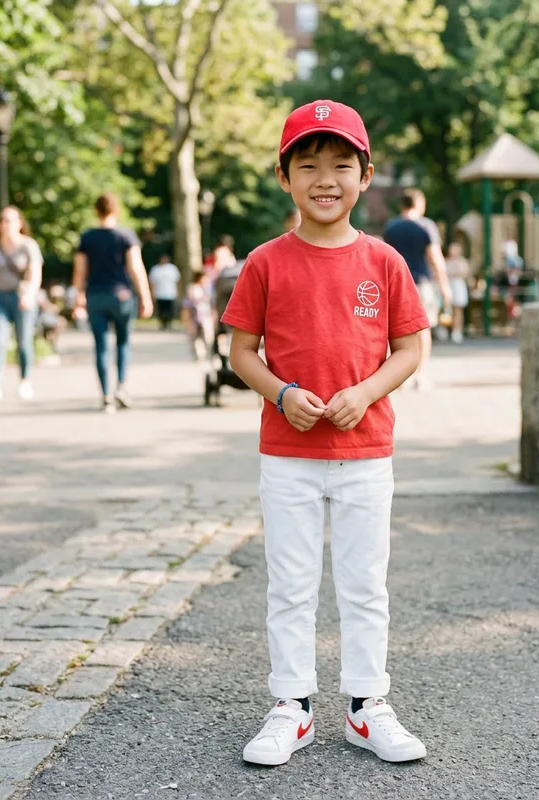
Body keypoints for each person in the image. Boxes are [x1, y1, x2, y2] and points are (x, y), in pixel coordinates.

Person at [223, 99, 429, 767]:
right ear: (284, 178)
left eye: (342, 165)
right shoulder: (264, 262)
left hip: (366, 451)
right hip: (288, 454)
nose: (325, 179)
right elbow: (242, 352)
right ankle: (293, 706)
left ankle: (368, 707)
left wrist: (364, 393)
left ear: (365, 176)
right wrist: (281, 394)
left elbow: (410, 347)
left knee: (365, 582)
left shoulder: (385, 262)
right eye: (307, 165)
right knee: (290, 582)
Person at [72, 193, 153, 413]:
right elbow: (135, 267)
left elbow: (80, 272)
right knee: (123, 343)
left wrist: (78, 297)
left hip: (95, 296)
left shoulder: (87, 238)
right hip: (122, 297)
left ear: (96, 211)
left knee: (100, 346)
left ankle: (106, 394)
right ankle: (121, 388)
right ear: (116, 210)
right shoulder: (125, 236)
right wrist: (145, 296)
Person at [383, 188, 451, 389]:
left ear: (402, 205)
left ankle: (398, 377)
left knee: (393, 331)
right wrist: (445, 286)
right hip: (421, 284)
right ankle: (420, 375)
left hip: (394, 283)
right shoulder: (426, 226)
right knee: (423, 330)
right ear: (419, 205)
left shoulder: (391, 227)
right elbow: (435, 259)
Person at [0, 206, 43, 401]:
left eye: (10, 220)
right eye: (2, 220)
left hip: (21, 297)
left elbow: (35, 274)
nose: (6, 224)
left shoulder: (28, 245)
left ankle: (25, 380)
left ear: (20, 224)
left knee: (23, 340)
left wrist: (29, 295)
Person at [180, 272, 214, 360]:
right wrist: (186, 318)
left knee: (206, 337)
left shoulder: (207, 289)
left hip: (205, 317)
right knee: (195, 337)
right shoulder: (192, 289)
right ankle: (198, 354)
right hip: (194, 316)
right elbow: (187, 304)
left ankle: (207, 354)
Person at [444, 240, 470, 343]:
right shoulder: (446, 261)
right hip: (448, 285)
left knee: (458, 310)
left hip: (457, 286)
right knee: (446, 310)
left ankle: (457, 331)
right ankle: (445, 330)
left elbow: (464, 273)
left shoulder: (462, 261)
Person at [148, 253, 181, 330]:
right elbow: (152, 282)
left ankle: (169, 323)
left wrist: (178, 292)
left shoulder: (172, 268)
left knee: (170, 310)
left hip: (170, 293)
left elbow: (177, 281)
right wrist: (152, 293)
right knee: (161, 310)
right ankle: (162, 323)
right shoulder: (155, 269)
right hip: (159, 293)